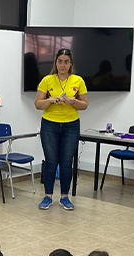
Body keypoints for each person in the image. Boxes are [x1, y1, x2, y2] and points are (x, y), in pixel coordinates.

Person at [34, 48, 89, 211]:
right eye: (60, 61)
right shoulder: (47, 80)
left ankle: (65, 197)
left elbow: (85, 105)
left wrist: (74, 102)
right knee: (51, 161)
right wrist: (50, 100)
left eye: (66, 62)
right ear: (55, 63)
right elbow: (38, 104)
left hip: (71, 125)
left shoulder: (78, 80)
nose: (62, 65)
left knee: (66, 163)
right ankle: (48, 196)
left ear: (70, 64)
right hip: (49, 124)